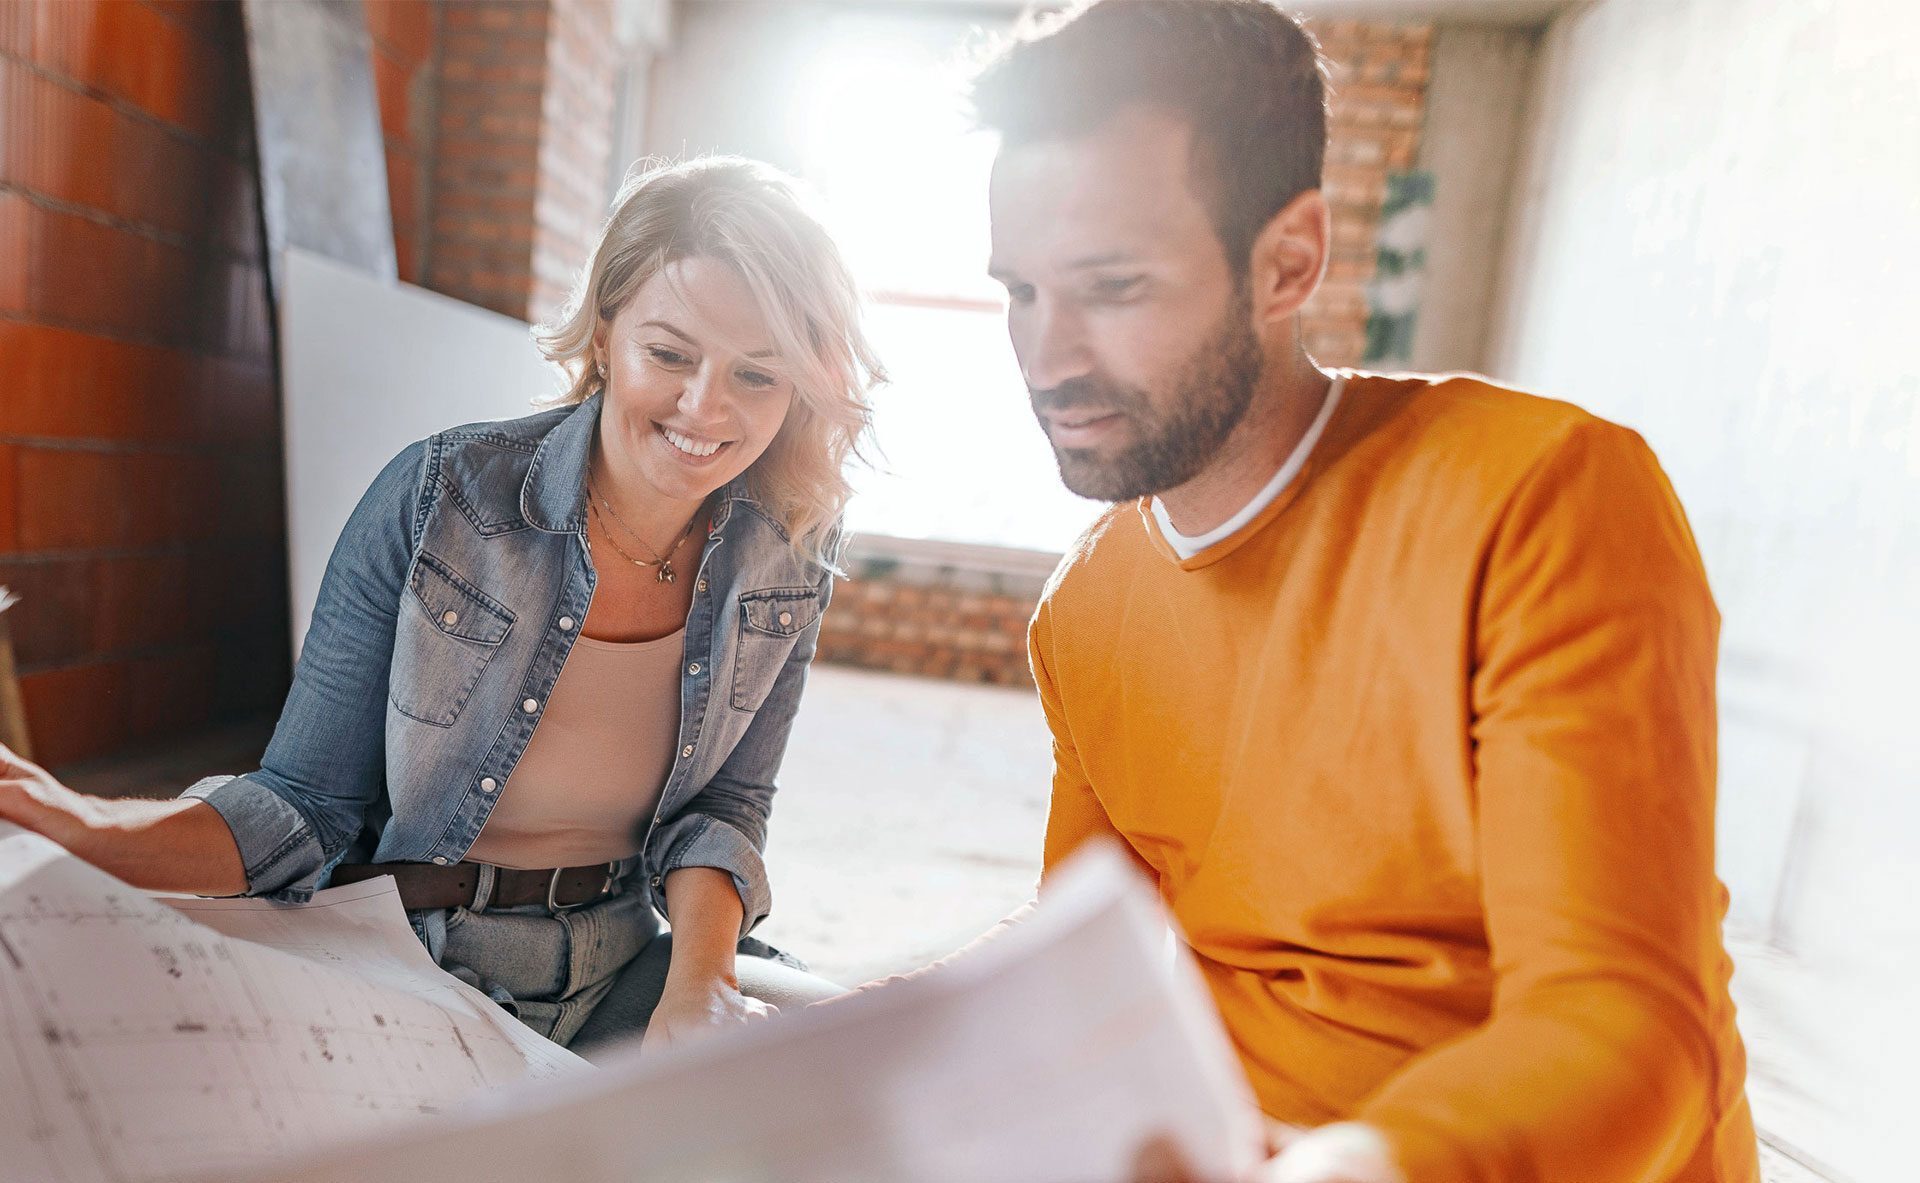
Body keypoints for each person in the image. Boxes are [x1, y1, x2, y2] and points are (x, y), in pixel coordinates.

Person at [969, 2, 1760, 1180]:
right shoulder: (1085, 612)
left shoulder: (1544, 495)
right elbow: (1088, 969)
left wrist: (1366, 1164)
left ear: (1289, 260)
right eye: (1020, 291)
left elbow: (1627, 1024)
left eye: (1113, 287)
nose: (1049, 356)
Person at [0, 156, 881, 1056]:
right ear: (608, 328)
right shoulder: (441, 499)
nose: (704, 406)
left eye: (756, 376)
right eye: (670, 353)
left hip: (629, 965)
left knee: (850, 1071)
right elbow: (304, 806)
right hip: (418, 962)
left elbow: (724, 808)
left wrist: (699, 989)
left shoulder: (791, 552)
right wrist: (82, 822)